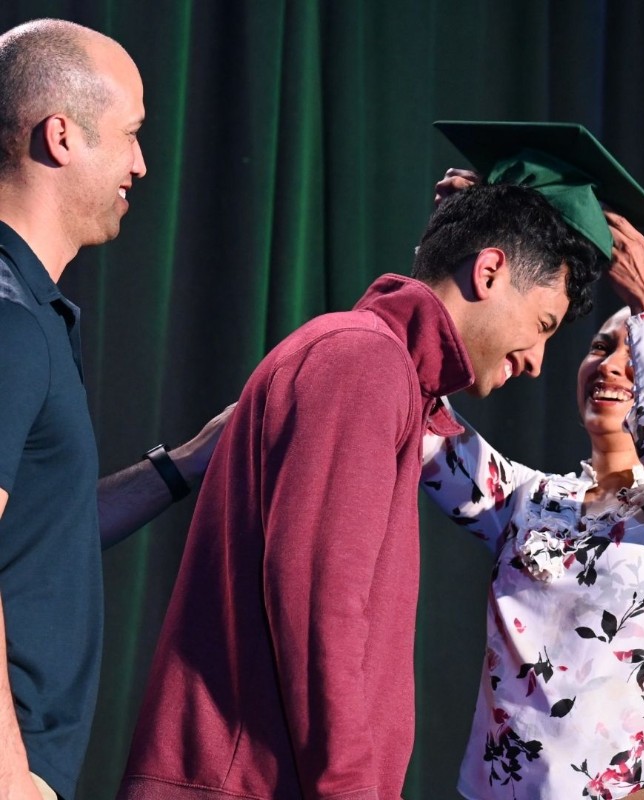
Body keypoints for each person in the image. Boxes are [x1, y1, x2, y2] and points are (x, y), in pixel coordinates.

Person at [116, 179, 607, 800]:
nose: (537, 358)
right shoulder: (364, 362)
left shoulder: (385, 369)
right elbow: (320, 604)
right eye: (542, 324)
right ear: (489, 271)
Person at [419, 209, 644, 799]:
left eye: (636, 353)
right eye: (601, 347)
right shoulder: (527, 501)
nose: (609, 365)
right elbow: (412, 412)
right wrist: (459, 246)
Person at [0, 19, 229, 800]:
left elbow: (41, 529)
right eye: (130, 134)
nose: (140, 163)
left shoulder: (32, 313)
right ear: (61, 136)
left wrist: (186, 463)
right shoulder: (9, 321)